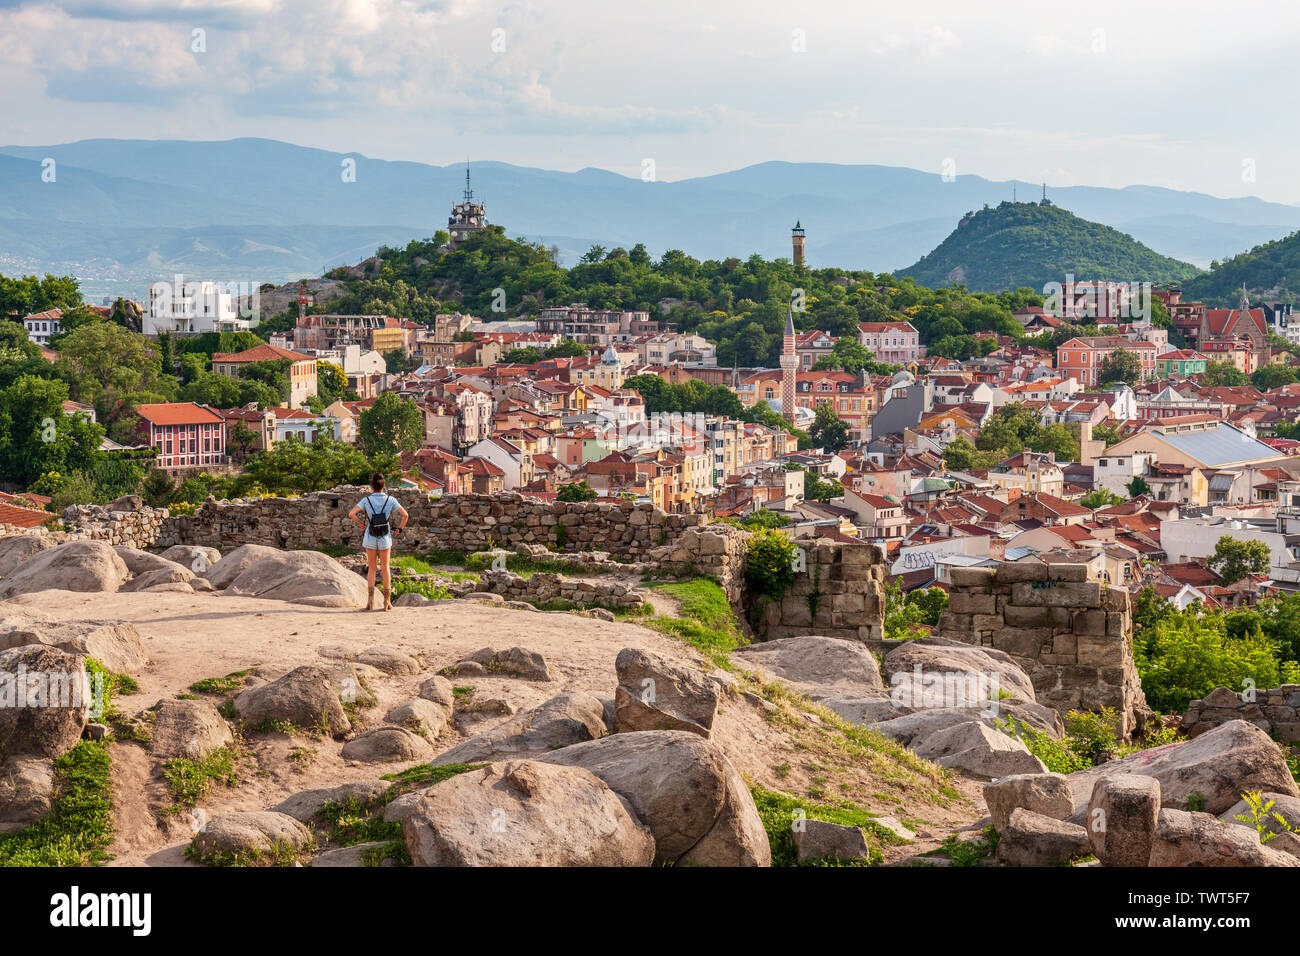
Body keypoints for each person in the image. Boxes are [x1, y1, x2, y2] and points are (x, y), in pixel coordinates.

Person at [348, 472, 409, 611]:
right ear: (384, 486)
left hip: (370, 535)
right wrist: (399, 529)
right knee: (385, 568)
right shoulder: (390, 499)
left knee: (372, 568)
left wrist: (361, 524)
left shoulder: (366, 500)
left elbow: (351, 514)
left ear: (372, 486)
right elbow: (405, 515)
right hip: (385, 536)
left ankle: (370, 601)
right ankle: (387, 602)